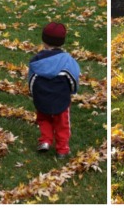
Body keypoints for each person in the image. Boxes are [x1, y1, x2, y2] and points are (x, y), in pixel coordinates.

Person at [28, 22, 80, 159]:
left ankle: (45, 140)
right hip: (61, 98)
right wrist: (73, 91)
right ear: (62, 42)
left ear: (43, 41)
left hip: (41, 97)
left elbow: (31, 80)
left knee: (43, 119)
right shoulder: (68, 61)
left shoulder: (36, 61)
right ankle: (62, 149)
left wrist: (35, 94)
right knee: (62, 123)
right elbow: (73, 78)